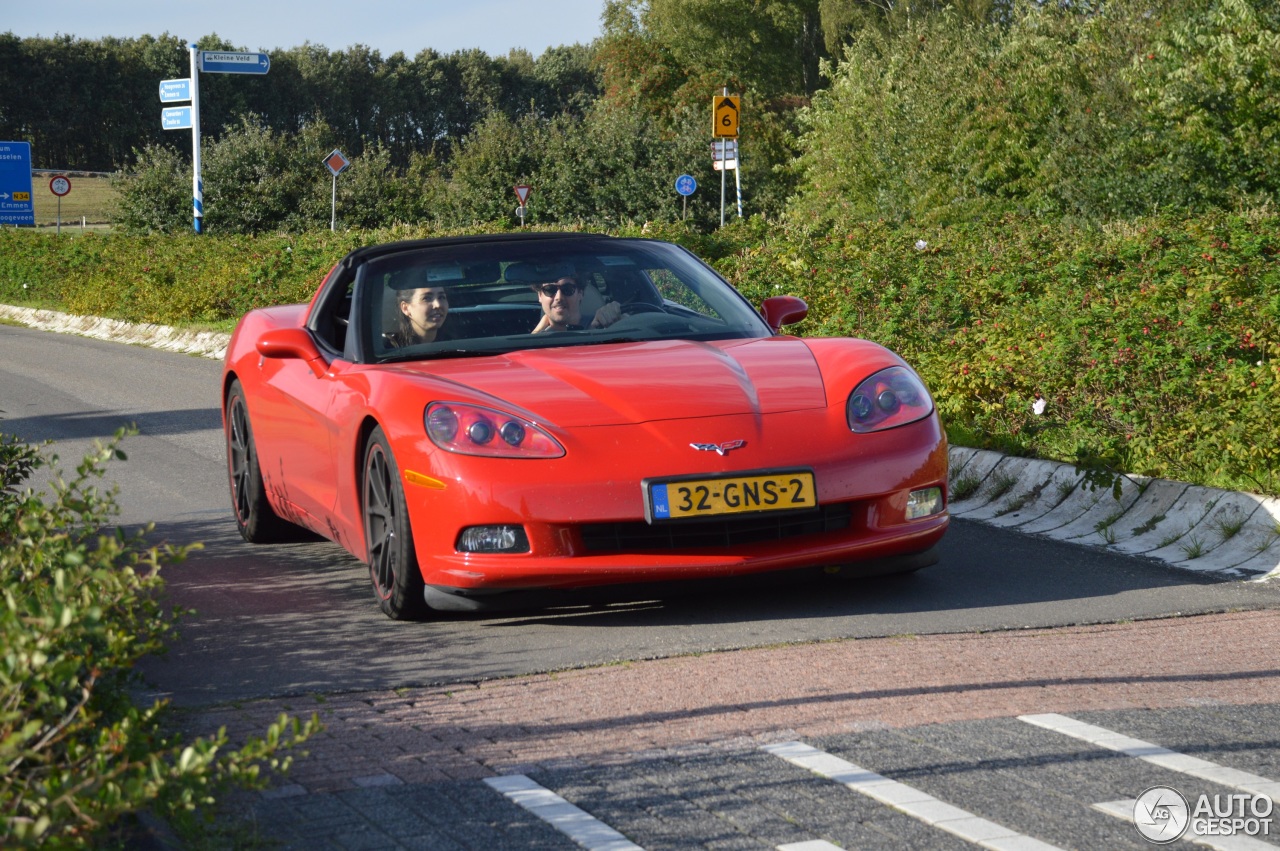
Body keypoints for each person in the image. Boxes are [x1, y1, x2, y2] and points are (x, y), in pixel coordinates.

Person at [531, 277, 623, 333]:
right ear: (539, 296)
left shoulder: (605, 325)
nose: (559, 297)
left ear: (580, 294)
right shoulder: (532, 339)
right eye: (550, 290)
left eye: (567, 289)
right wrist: (536, 335)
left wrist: (619, 318)